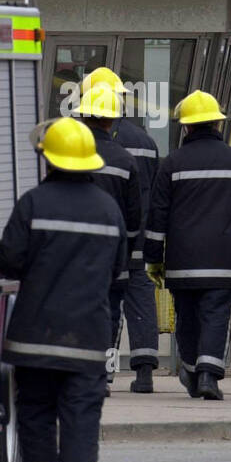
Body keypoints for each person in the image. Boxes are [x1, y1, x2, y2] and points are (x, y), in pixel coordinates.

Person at [0, 117, 126, 462]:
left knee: (35, 413)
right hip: (88, 337)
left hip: (35, 337)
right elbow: (118, 272)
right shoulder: (109, 210)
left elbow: (9, 261)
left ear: (48, 160)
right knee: (82, 417)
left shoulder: (33, 203)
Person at [143, 90, 231, 401]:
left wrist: (154, 259)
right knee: (216, 316)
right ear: (218, 125)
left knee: (186, 316)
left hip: (182, 262)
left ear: (186, 127)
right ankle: (209, 375)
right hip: (224, 260)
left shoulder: (172, 164)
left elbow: (157, 216)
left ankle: (191, 370)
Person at [82, 67, 161, 393]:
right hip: (136, 239)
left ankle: (104, 371)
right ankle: (144, 373)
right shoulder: (144, 141)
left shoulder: (80, 145)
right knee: (140, 303)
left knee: (101, 307)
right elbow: (154, 193)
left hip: (96, 245)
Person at [73, 81, 142, 396]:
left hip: (75, 256)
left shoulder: (71, 156)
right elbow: (133, 219)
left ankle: (78, 372)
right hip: (114, 258)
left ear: (84, 118)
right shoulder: (126, 160)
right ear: (113, 120)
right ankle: (105, 375)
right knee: (110, 316)